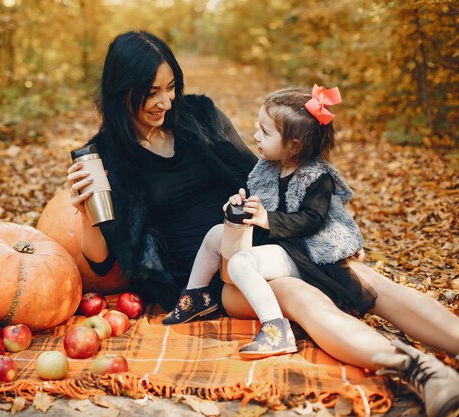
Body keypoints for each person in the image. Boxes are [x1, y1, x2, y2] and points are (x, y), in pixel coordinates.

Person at [66, 30, 459, 417]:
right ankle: (421, 372)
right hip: (210, 278)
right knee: (296, 294)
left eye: (170, 87)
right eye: (151, 92)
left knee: (361, 276)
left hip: (262, 238)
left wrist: (323, 234)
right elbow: (102, 261)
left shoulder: (198, 115)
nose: (166, 101)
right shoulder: (106, 157)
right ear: (123, 91)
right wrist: (86, 212)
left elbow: (262, 175)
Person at [162, 85, 377, 361]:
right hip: (276, 245)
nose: (255, 137)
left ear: (294, 145)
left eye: (265, 132)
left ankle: (276, 329)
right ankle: (197, 296)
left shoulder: (317, 177)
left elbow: (316, 221)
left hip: (301, 256)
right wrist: (242, 206)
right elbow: (261, 201)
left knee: (241, 263)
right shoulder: (269, 168)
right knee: (216, 234)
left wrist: (266, 219)